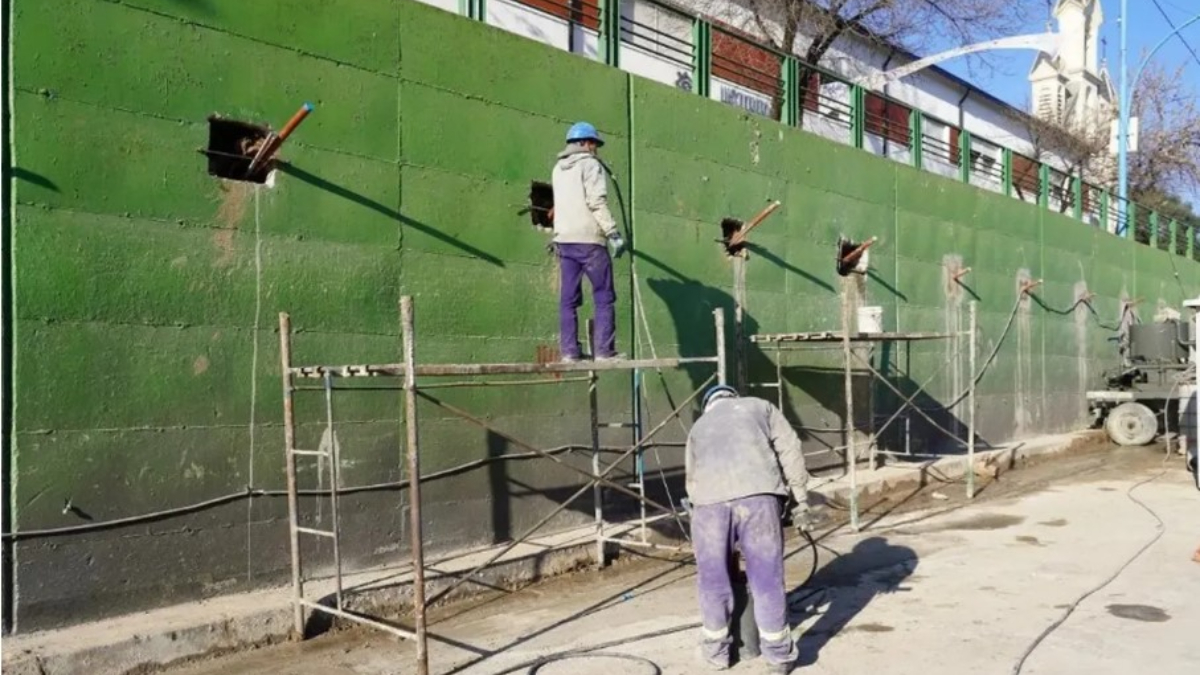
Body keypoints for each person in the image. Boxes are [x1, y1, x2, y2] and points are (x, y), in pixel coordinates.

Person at [686, 384, 812, 673]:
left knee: (713, 580)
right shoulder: (760, 406)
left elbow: (691, 479)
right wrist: (801, 500)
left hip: (709, 504)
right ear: (733, 397)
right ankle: (778, 657)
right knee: (766, 578)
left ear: (709, 405)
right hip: (758, 496)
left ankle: (716, 655)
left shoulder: (699, 426)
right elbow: (789, 447)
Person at [550, 121, 626, 362]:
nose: (595, 148)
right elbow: (596, 202)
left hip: (564, 241)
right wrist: (612, 233)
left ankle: (569, 353)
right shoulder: (590, 165)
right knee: (604, 296)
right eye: (593, 143)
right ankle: (604, 351)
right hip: (590, 242)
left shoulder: (557, 169)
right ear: (583, 143)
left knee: (568, 300)